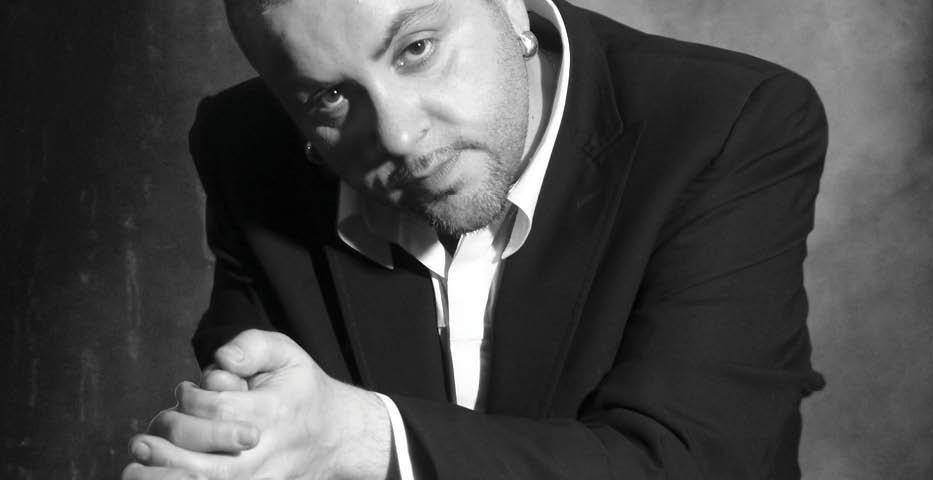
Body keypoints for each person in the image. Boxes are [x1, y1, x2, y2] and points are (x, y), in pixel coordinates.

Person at [122, 0, 828, 478]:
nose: (399, 135)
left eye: (416, 50)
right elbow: (262, 424)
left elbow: (698, 461)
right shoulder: (246, 148)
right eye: (329, 98)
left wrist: (362, 439)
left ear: (512, 9)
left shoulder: (730, 124)